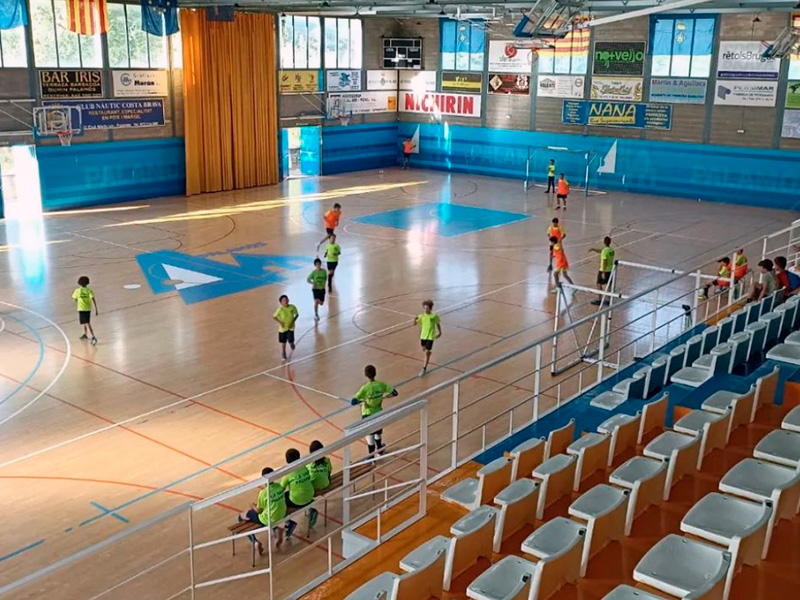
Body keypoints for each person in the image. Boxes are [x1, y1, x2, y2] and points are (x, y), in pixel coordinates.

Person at [350, 365, 398, 456]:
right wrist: (385, 397)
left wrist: (363, 401)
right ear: (375, 373)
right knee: (378, 432)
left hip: (367, 414)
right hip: (378, 412)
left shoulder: (365, 388)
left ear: (365, 375)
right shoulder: (381, 385)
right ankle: (379, 450)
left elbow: (353, 402)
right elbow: (395, 393)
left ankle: (371, 457)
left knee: (369, 435)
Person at [238, 467, 286, 555]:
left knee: (241, 517)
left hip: (267, 519)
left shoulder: (264, 493)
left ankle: (255, 542)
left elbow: (258, 511)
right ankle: (277, 531)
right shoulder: (279, 487)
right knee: (273, 511)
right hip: (281, 514)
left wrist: (252, 506)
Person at [280, 448, 316, 540]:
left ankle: (289, 523)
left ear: (287, 460)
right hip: (310, 496)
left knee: (280, 502)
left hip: (297, 501)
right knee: (302, 490)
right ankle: (311, 510)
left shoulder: (288, 474)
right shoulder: (304, 467)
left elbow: (280, 490)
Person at [306, 440, 332, 529]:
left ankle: (311, 509)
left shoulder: (309, 464)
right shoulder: (327, 460)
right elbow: (329, 472)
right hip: (325, 484)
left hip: (313, 488)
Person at [414, 300, 442, 377]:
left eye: (427, 308)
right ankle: (427, 350)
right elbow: (415, 324)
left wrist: (439, 332)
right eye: (425, 308)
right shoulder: (421, 316)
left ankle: (424, 368)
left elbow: (437, 324)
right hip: (423, 336)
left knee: (427, 352)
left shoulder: (434, 316)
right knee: (423, 348)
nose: (426, 309)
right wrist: (415, 320)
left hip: (430, 336)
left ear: (430, 308)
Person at [72, 275, 98, 345]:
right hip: (88, 309)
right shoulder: (89, 291)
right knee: (85, 322)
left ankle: (93, 337)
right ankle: (85, 334)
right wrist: (96, 309)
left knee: (87, 323)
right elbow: (93, 299)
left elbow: (74, 298)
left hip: (81, 309)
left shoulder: (77, 291)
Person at [589, 236, 615, 305]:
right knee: (609, 284)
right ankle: (609, 300)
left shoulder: (604, 251)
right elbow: (602, 251)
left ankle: (600, 299)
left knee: (598, 284)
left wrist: (603, 272)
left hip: (604, 270)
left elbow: (604, 261)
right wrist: (594, 249)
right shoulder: (611, 250)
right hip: (610, 270)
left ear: (604, 242)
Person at [273, 295, 299, 361]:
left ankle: (291, 343)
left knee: (290, 339)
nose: (285, 301)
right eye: (284, 300)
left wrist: (293, 321)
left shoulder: (292, 307)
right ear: (281, 302)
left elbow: (296, 314)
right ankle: (284, 353)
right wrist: (281, 323)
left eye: (286, 299)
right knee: (283, 342)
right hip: (283, 329)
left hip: (291, 327)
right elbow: (274, 316)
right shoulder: (280, 310)